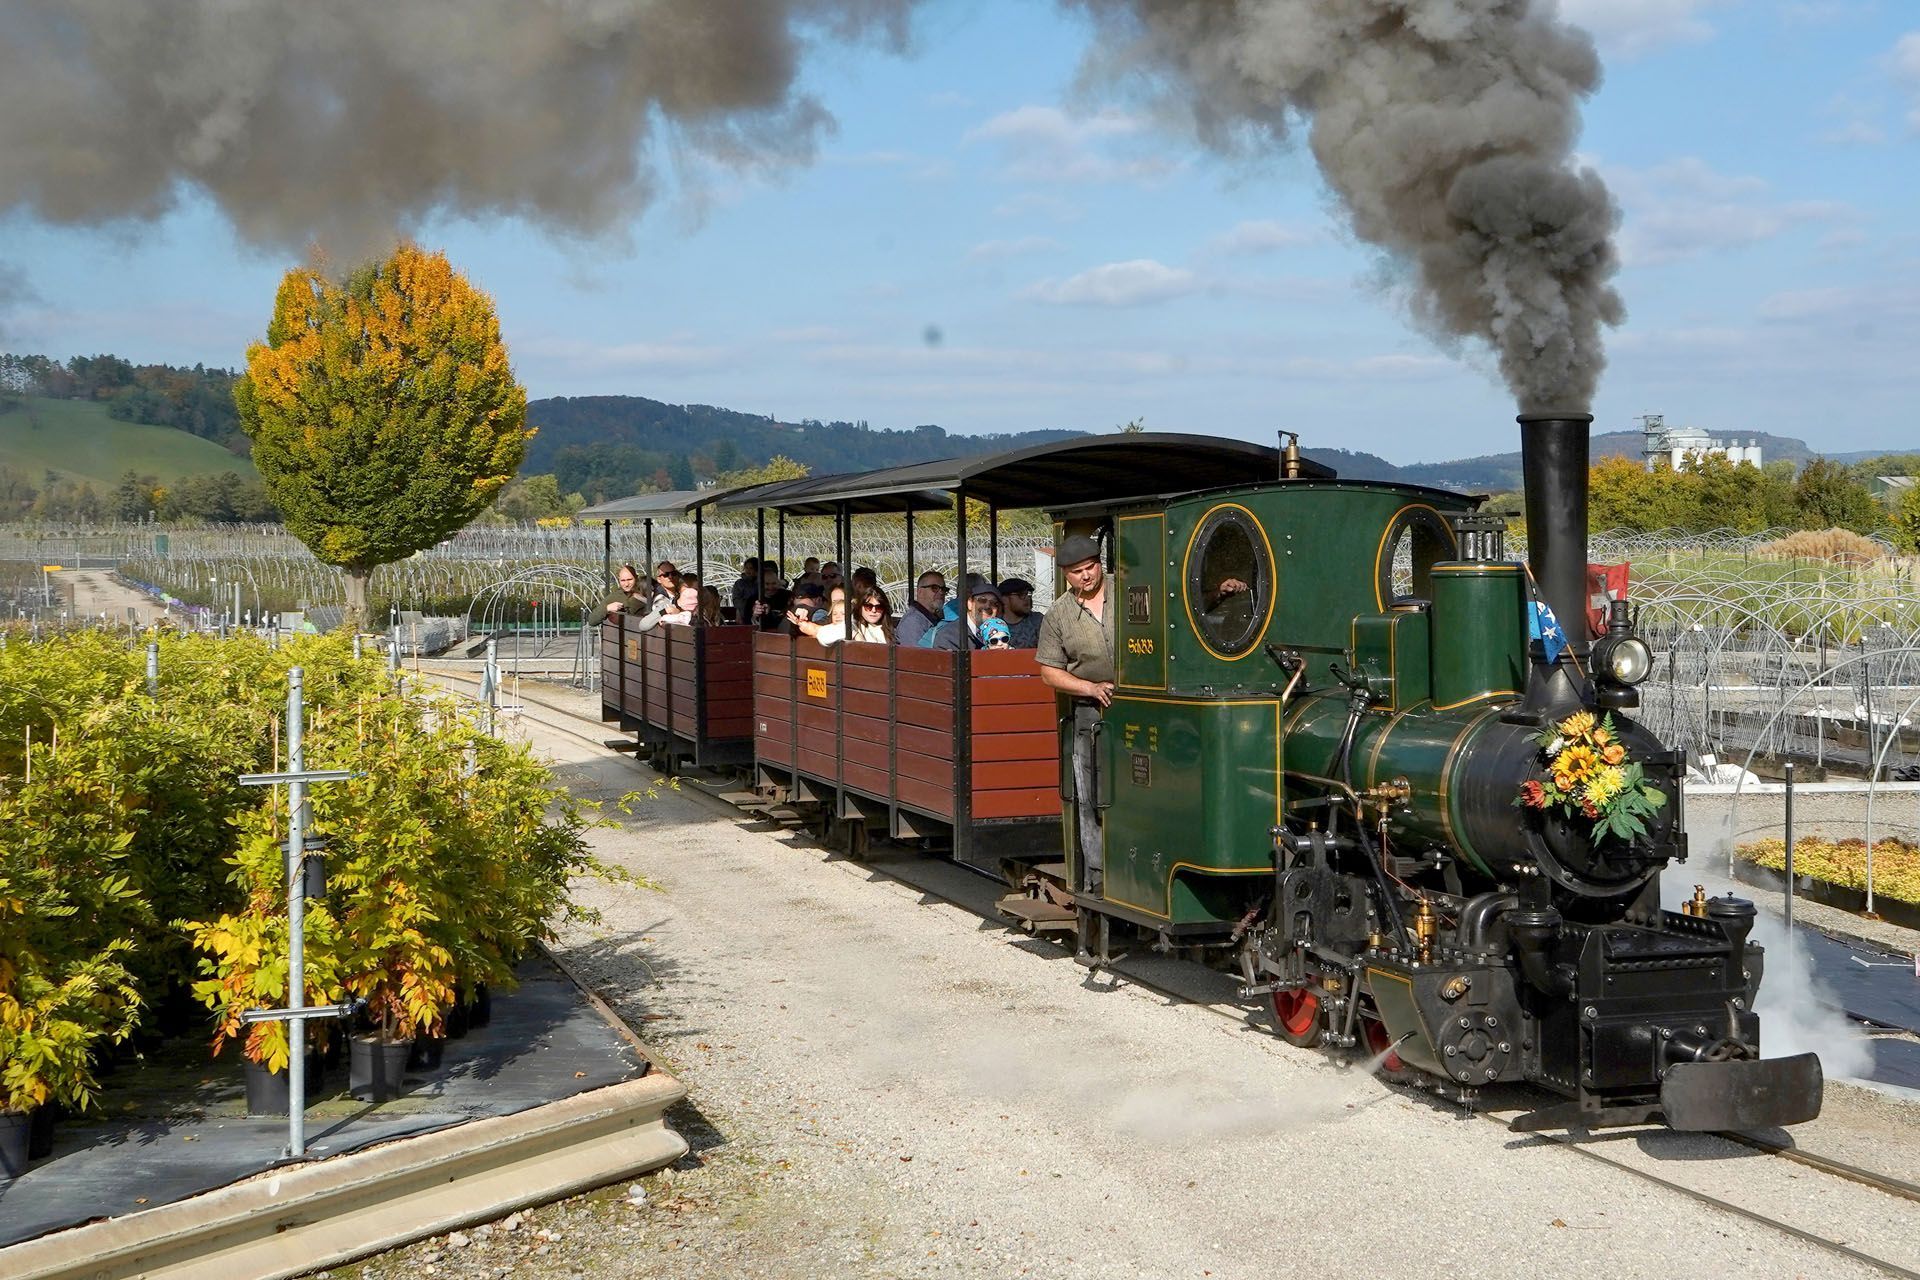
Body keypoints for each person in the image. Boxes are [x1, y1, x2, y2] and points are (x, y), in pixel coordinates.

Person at [1036, 533, 1115, 898]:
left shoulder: (1128, 589)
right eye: (1077, 571)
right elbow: (1049, 671)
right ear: (1065, 575)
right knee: (1093, 792)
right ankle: (1098, 874)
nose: (1087, 576)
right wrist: (1090, 688)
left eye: (1091, 567)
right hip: (1090, 712)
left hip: (1144, 704)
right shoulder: (1058, 615)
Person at [932, 576, 1000, 651]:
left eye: (994, 603)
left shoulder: (1001, 634)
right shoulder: (950, 636)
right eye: (982, 600)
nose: (988, 606)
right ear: (970, 603)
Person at [896, 571, 947, 647]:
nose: (941, 592)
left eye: (944, 589)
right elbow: (917, 655)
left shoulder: (934, 617)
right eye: (934, 588)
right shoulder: (913, 621)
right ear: (920, 592)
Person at [998, 577, 1043, 649]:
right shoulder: (994, 625)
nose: (1027, 598)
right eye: (1021, 594)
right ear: (1004, 599)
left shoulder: (1038, 621)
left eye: (1028, 594)